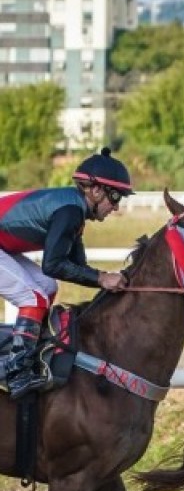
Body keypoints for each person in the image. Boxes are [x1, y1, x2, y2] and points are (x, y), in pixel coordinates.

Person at [0, 147, 131, 399]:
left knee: (47, 287)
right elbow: (54, 264)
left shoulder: (75, 211)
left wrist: (107, 279)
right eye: (115, 197)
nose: (115, 207)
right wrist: (102, 278)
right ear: (95, 190)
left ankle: (29, 353)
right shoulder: (70, 212)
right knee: (34, 298)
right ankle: (15, 373)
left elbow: (77, 267)